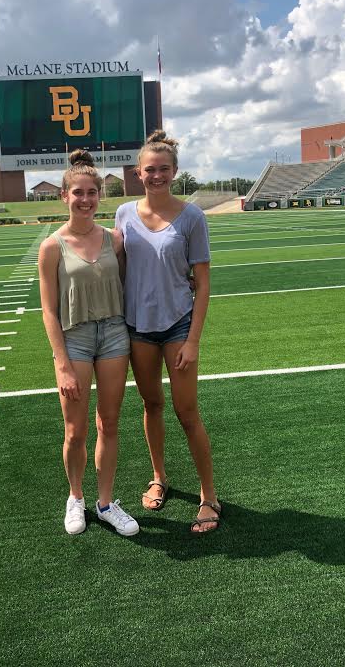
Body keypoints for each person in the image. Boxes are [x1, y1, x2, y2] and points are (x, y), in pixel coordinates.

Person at [115, 130, 220, 533]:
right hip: (138, 326)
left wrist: (193, 340)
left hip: (178, 324)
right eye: (149, 170)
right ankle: (159, 476)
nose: (156, 176)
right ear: (138, 173)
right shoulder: (124, 213)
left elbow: (203, 282)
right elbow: (118, 269)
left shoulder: (192, 217)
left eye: (163, 169)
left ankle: (208, 494)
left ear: (174, 172)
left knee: (186, 410)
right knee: (151, 405)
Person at [38, 149, 139, 537]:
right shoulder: (52, 247)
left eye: (92, 193)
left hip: (115, 335)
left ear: (101, 195)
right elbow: (48, 310)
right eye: (77, 193)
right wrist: (61, 361)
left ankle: (106, 502)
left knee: (109, 423)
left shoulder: (115, 239)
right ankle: (76, 497)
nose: (85, 200)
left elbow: (132, 284)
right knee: (75, 431)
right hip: (75, 338)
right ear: (64, 196)